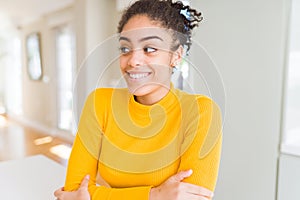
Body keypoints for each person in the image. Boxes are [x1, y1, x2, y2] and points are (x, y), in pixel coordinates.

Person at [54, 0, 222, 199]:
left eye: (149, 48)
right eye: (125, 49)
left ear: (176, 56)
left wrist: (96, 195)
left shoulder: (201, 111)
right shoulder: (99, 103)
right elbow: (75, 188)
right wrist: (155, 195)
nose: (133, 61)